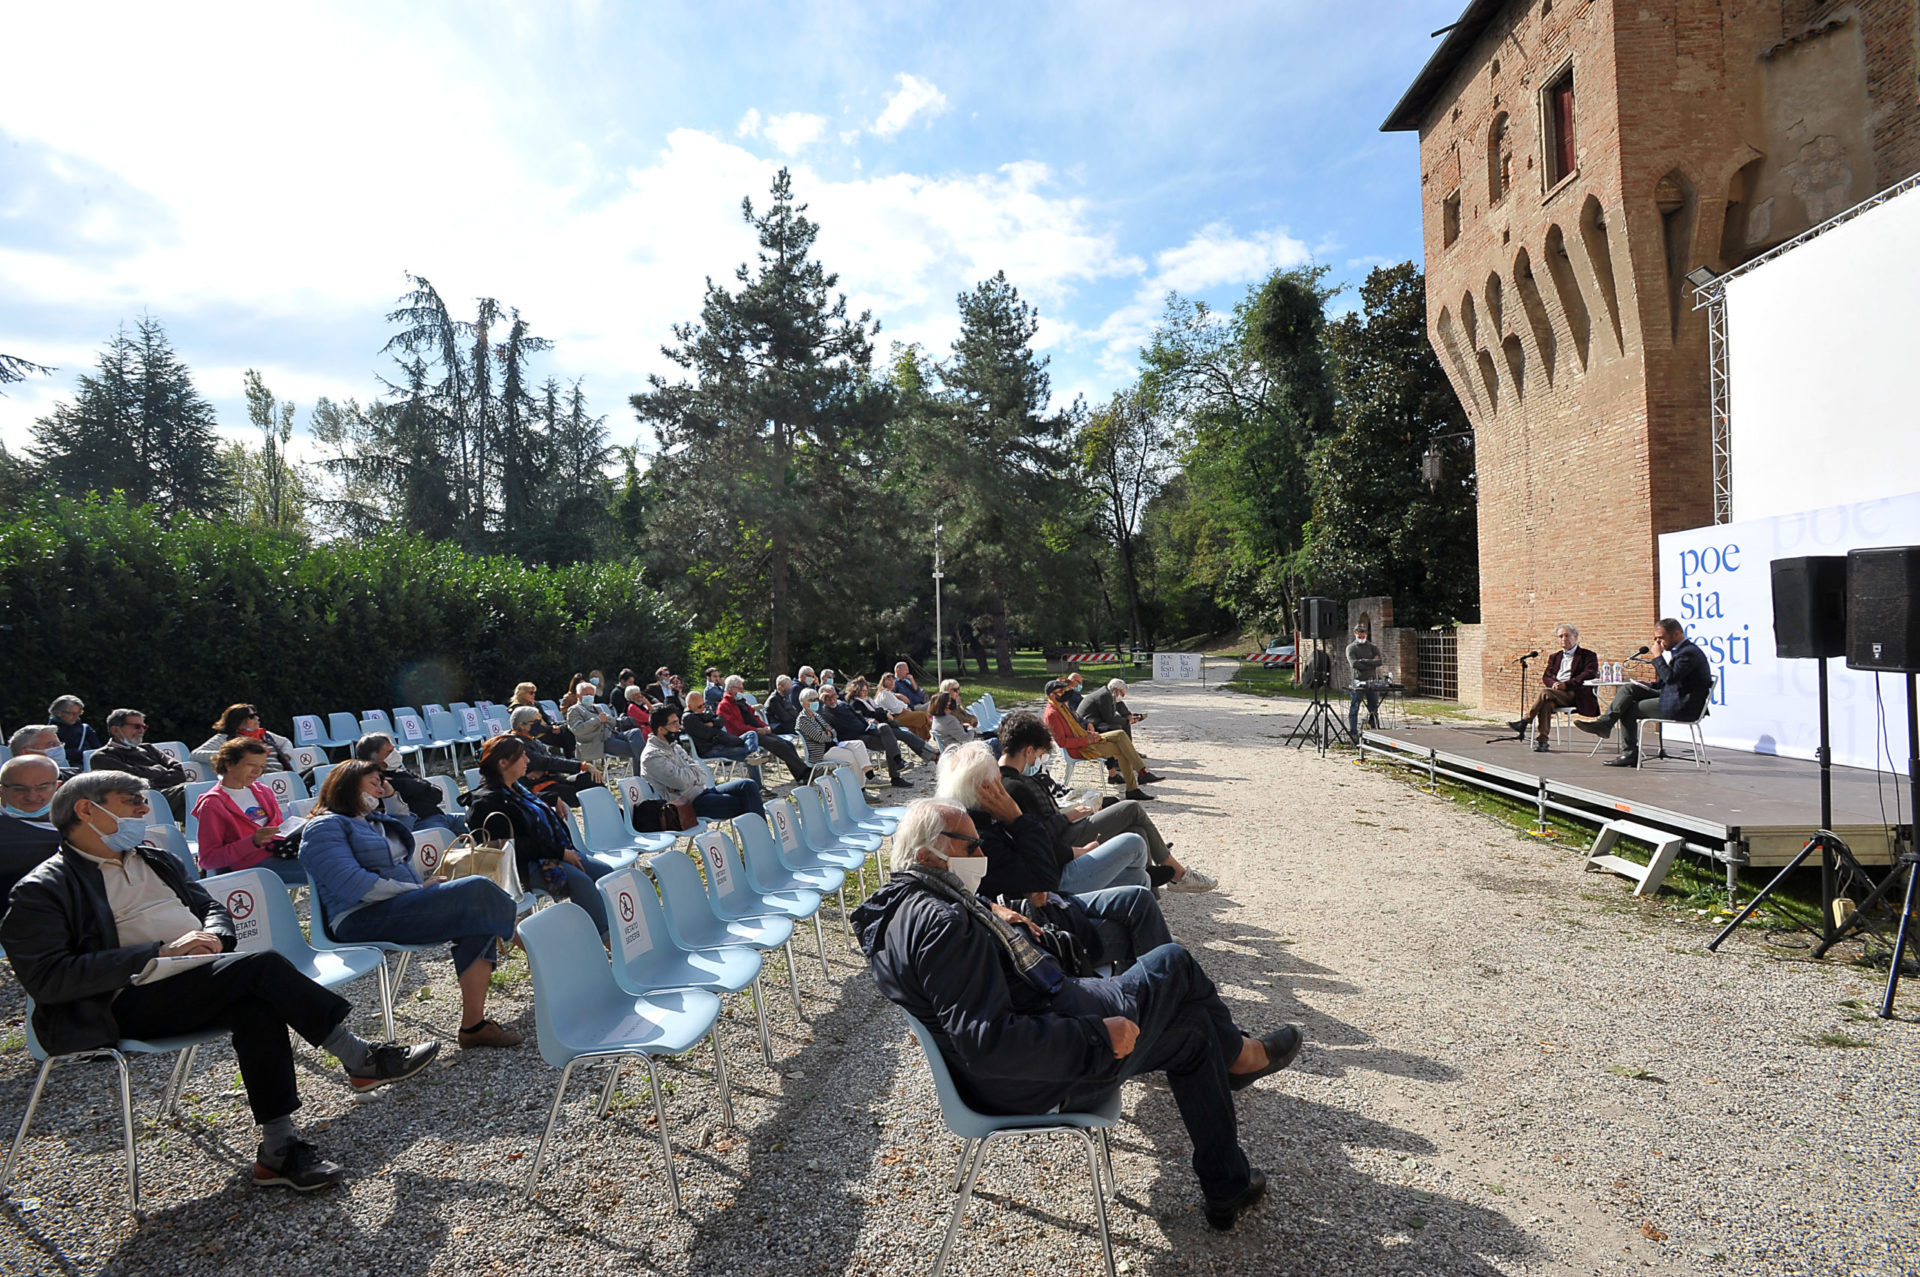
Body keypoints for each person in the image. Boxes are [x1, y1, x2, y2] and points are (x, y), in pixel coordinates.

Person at [853, 800, 1304, 1231]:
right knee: (1172, 962)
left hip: (1036, 1045)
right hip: (1038, 1077)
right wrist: (1096, 1037)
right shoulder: (942, 924)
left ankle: (1227, 1184)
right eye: (971, 847)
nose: (982, 854)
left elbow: (964, 1012)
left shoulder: (900, 907)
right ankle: (1241, 1058)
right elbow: (988, 1044)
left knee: (1195, 1034)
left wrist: (994, 911)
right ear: (929, 854)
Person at [4, 771, 439, 1191]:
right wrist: (157, 953)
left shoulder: (155, 859)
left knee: (257, 1003)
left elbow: (211, 907)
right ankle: (358, 1057)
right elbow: (48, 979)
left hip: (194, 981)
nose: (143, 811)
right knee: (260, 968)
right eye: (132, 803)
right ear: (87, 810)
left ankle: (278, 1150)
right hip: (121, 1004)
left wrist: (213, 935)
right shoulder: (43, 889)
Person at [302, 760, 522, 1049]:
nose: (379, 789)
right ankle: (540, 955)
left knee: (477, 918)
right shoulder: (323, 828)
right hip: (358, 916)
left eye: (381, 783)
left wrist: (391, 794)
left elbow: (405, 821)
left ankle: (474, 1027)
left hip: (399, 906)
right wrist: (416, 888)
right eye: (373, 783)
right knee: (477, 889)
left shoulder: (372, 821)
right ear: (347, 786)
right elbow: (353, 884)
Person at [934, 741, 1184, 971]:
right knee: (1134, 864)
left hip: (1048, 902)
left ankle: (1147, 958)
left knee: (1138, 880)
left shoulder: (974, 821)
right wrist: (1018, 820)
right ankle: (1155, 982)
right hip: (1046, 922)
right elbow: (1045, 880)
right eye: (998, 782)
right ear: (988, 788)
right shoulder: (981, 835)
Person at [997, 713, 1215, 893]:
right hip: (1063, 839)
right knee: (1131, 808)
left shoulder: (1010, 781)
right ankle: (1178, 875)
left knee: (1137, 829)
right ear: (1028, 751)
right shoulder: (1015, 786)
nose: (1037, 761)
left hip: (1064, 830)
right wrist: (1068, 818)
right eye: (1038, 754)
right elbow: (1037, 836)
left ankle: (1152, 899)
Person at [464, 735, 612, 941]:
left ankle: (619, 929)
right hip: (521, 867)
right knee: (581, 881)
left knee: (607, 874)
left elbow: (526, 805)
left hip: (548, 852)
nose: (527, 760)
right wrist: (560, 853)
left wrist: (552, 797)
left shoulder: (515, 788)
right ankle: (606, 941)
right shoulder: (486, 803)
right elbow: (513, 848)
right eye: (522, 756)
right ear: (503, 763)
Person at [1576, 618, 1713, 767]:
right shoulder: (1681, 651)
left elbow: (1671, 678)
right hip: (1674, 695)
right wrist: (1648, 684)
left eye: (1661, 638)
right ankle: (1604, 724)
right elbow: (1668, 681)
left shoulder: (1689, 653)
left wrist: (1658, 657)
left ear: (1677, 634)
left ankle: (1629, 754)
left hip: (1684, 704)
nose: (1658, 643)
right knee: (1629, 688)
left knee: (1628, 710)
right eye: (1656, 639)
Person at [193, 737, 305, 884]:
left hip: (280, 853)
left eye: (262, 766)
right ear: (229, 765)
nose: (257, 771)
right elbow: (208, 860)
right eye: (251, 765)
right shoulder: (212, 804)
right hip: (252, 867)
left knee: (334, 860)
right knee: (327, 871)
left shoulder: (263, 791)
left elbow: (278, 829)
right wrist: (252, 842)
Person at [641, 706, 767, 819]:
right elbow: (681, 782)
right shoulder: (652, 756)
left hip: (702, 792)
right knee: (746, 802)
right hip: (688, 804)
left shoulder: (675, 746)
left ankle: (761, 838)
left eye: (678, 722)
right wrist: (692, 774)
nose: (679, 727)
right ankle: (763, 839)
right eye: (674, 724)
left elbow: (701, 772)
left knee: (748, 785)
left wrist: (689, 774)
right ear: (661, 730)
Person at [1042, 681, 1159, 799]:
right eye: (1062, 691)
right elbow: (1063, 742)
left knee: (1120, 734)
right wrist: (1087, 740)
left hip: (1086, 737)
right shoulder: (1052, 714)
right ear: (1052, 695)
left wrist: (1088, 724)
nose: (1066, 693)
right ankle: (1136, 784)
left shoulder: (1063, 706)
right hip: (1080, 748)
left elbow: (1078, 718)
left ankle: (1141, 774)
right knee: (1122, 748)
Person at [88, 707, 191, 821]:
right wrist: (159, 770)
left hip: (167, 797)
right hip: (138, 802)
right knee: (191, 792)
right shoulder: (102, 757)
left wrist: (147, 775)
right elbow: (132, 781)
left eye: (144, 727)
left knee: (194, 802)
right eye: (136, 726)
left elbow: (180, 772)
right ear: (115, 730)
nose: (141, 730)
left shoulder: (149, 748)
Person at [351, 734, 467, 835]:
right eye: (389, 752)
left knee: (480, 821)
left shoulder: (401, 771)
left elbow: (436, 795)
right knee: (445, 842)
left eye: (394, 749)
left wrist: (415, 787)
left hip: (443, 816)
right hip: (422, 824)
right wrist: (418, 786)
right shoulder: (377, 784)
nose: (395, 754)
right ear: (374, 760)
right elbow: (413, 807)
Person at [1509, 624, 1599, 751]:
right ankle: (1542, 742)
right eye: (1560, 636)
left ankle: (1524, 721)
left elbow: (1589, 673)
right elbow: (1547, 676)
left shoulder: (1588, 655)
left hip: (1575, 694)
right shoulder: (1555, 657)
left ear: (1575, 636)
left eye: (1566, 635)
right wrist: (1554, 684)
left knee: (1545, 693)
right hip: (1555, 693)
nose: (1563, 639)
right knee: (1546, 703)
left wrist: (1566, 684)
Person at [1, 754, 64, 911]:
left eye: (42, 787)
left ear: (57, 786)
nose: (32, 796)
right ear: (2, 791)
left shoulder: (81, 819)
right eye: (19, 788)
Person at [821, 683, 913, 788]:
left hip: (866, 729)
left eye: (833, 696)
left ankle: (898, 762)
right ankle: (896, 776)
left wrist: (868, 721)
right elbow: (829, 731)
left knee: (884, 728)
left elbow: (858, 716)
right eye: (827, 698)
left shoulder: (843, 705)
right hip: (854, 739)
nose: (832, 700)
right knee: (890, 743)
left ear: (837, 695)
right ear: (822, 699)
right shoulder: (825, 712)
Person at [718, 676, 808, 783]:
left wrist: (765, 726)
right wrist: (757, 730)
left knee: (787, 744)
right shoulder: (724, 705)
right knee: (779, 745)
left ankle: (802, 774)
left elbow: (754, 717)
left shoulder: (740, 701)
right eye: (739, 688)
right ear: (731, 689)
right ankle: (804, 773)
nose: (742, 691)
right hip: (745, 736)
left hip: (756, 731)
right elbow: (737, 727)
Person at [508, 706, 604, 805]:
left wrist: (544, 769)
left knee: (591, 779)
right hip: (537, 786)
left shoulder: (532, 739)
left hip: (552, 778)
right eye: (536, 723)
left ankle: (615, 814)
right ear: (522, 725)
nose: (540, 726)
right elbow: (544, 762)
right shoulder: (516, 744)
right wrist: (582, 766)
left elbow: (549, 761)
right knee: (581, 794)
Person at [849, 676, 939, 763]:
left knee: (908, 734)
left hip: (884, 724)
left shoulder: (868, 700)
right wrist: (884, 714)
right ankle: (933, 751)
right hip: (875, 728)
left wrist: (883, 714)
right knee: (908, 732)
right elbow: (873, 714)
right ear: (856, 691)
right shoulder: (856, 703)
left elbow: (879, 711)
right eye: (863, 691)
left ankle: (932, 755)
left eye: (866, 690)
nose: (865, 693)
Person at [682, 691, 765, 784]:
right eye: (699, 706)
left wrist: (713, 723)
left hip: (722, 742)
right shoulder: (689, 718)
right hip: (711, 749)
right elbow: (708, 733)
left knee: (751, 734)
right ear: (690, 707)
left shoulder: (701, 712)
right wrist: (715, 725)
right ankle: (759, 786)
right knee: (746, 754)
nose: (703, 708)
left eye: (704, 705)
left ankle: (752, 753)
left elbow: (721, 719)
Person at [193, 704, 297, 773]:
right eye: (252, 716)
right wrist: (233, 753)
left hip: (282, 779)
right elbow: (195, 755)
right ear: (238, 721)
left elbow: (286, 742)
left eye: (256, 715)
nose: (257, 718)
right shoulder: (225, 738)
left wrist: (286, 756)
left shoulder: (264, 734)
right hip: (254, 785)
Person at [794, 688, 871, 777]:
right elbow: (820, 738)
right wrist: (828, 734)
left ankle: (868, 774)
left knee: (859, 744)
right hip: (822, 752)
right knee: (853, 757)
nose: (815, 702)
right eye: (811, 700)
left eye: (817, 699)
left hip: (832, 746)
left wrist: (829, 733)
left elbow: (833, 732)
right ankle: (860, 786)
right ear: (803, 702)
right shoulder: (803, 720)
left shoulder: (817, 715)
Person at [510, 682, 576, 758]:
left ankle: (571, 756)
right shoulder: (517, 708)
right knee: (566, 732)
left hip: (547, 729)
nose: (534, 695)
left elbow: (546, 717)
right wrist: (551, 729)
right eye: (531, 693)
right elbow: (532, 726)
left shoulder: (536, 704)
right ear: (522, 694)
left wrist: (552, 724)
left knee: (568, 725)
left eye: (534, 693)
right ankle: (570, 756)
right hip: (537, 733)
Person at [1346, 623, 1385, 742]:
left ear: (1366, 633)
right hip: (1358, 681)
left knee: (1373, 708)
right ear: (1355, 633)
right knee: (1354, 708)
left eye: (1363, 633)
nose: (1362, 635)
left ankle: (1374, 731)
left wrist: (1363, 661)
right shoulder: (1351, 648)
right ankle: (1353, 732)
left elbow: (1379, 661)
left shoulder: (1373, 647)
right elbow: (1354, 664)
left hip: (1372, 681)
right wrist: (1370, 662)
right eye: (1359, 633)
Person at [564, 682, 617, 767]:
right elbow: (578, 730)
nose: (589, 697)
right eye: (586, 694)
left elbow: (613, 722)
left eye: (591, 695)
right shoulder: (574, 710)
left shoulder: (597, 708)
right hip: (595, 743)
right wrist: (598, 720)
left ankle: (641, 774)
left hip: (609, 736)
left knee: (634, 733)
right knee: (634, 748)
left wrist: (606, 719)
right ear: (578, 696)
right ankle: (642, 775)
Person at [46, 695, 102, 769]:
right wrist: (81, 753)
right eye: (72, 713)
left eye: (79, 713)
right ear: (58, 712)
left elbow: (98, 749)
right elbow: (52, 754)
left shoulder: (85, 728)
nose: (76, 716)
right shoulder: (49, 732)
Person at [1079, 678, 1144, 738]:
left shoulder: (1108, 694)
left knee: (1124, 723)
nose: (1123, 697)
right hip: (1088, 723)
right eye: (1122, 694)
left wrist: (1128, 716)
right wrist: (1127, 721)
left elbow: (1119, 705)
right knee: (1119, 726)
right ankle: (1125, 748)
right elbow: (1110, 719)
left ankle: (1128, 748)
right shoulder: (1104, 696)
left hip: (1095, 720)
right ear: (1116, 691)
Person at [8, 724, 78, 780]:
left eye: (59, 744)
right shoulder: (9, 782)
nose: (59, 748)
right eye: (51, 744)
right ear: (25, 752)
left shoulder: (74, 777)